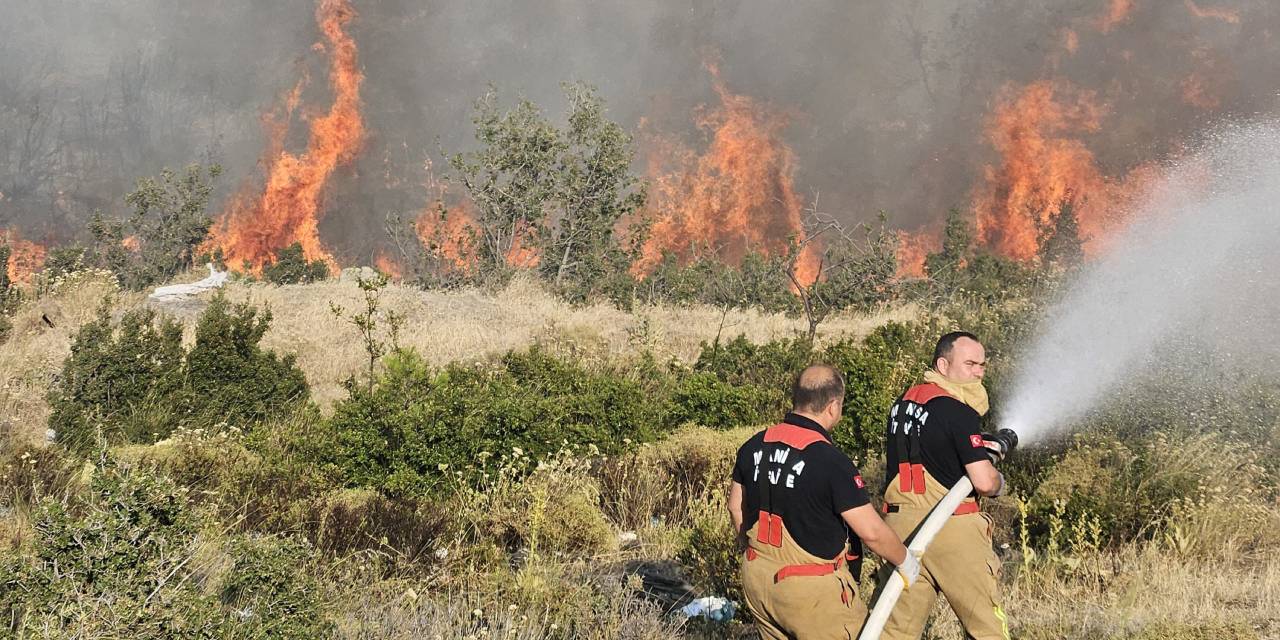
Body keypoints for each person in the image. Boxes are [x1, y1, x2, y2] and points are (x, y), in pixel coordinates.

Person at [728, 364, 921, 639]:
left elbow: (735, 506)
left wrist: (753, 553)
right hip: (810, 594)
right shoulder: (831, 462)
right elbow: (872, 533)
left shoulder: (753, 445)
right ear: (833, 407)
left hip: (757, 579)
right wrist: (905, 561)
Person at [878, 331, 1009, 640]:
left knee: (896, 631)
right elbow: (982, 480)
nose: (978, 372)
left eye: (982, 365)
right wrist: (998, 481)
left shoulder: (901, 405)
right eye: (970, 363)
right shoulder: (957, 410)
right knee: (986, 627)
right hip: (952, 527)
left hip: (900, 528)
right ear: (943, 365)